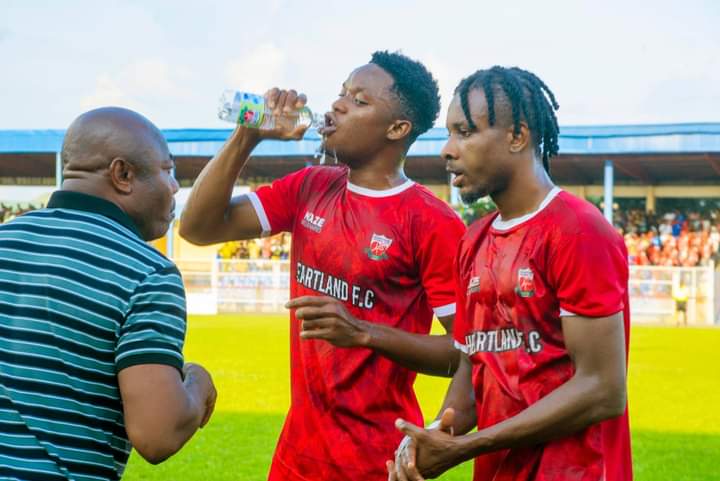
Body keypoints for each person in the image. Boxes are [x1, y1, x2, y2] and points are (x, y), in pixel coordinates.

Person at [180, 51, 466, 480]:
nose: (337, 106)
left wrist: (364, 333)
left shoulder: (431, 221)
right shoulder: (311, 186)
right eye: (340, 93)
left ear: (397, 128)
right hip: (296, 454)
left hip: (376, 462)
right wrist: (247, 136)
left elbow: (468, 353)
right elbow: (198, 227)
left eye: (359, 100)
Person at [389, 66, 632, 481]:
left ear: (517, 136)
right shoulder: (473, 241)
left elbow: (603, 390)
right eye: (448, 133)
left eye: (464, 132)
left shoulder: (577, 231)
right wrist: (434, 436)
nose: (447, 150)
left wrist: (467, 446)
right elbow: (473, 366)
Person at [0, 107, 217, 481]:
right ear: (123, 174)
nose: (176, 186)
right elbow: (157, 434)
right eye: (168, 170)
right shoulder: (147, 272)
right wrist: (198, 385)